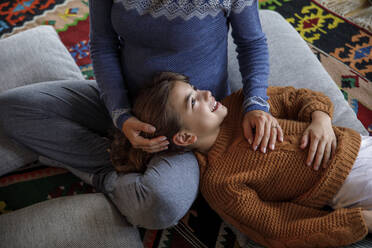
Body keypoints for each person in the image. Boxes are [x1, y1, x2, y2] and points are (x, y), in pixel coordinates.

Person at [0, 0, 283, 229]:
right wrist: (121, 115)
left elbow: (252, 43)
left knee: (161, 203)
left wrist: (256, 104)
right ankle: (120, 162)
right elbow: (103, 44)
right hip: (125, 104)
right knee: (12, 108)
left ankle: (110, 173)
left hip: (189, 128)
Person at [110, 72, 372, 248]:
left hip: (360, 143)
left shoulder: (241, 103)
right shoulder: (221, 183)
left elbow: (298, 98)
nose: (205, 93)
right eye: (193, 101)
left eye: (195, 88)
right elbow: (277, 227)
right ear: (185, 137)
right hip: (351, 185)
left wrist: (321, 120)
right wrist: (359, 221)